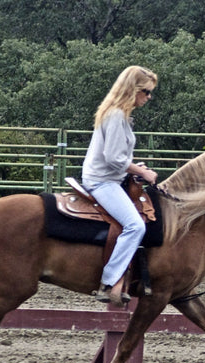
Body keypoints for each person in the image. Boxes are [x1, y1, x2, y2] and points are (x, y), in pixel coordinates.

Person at [82, 65, 158, 306]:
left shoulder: (120, 115)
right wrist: (141, 171)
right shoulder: (116, 115)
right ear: (132, 89)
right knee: (135, 226)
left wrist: (135, 168)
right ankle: (109, 281)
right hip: (102, 181)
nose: (148, 97)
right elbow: (113, 157)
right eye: (146, 91)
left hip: (110, 178)